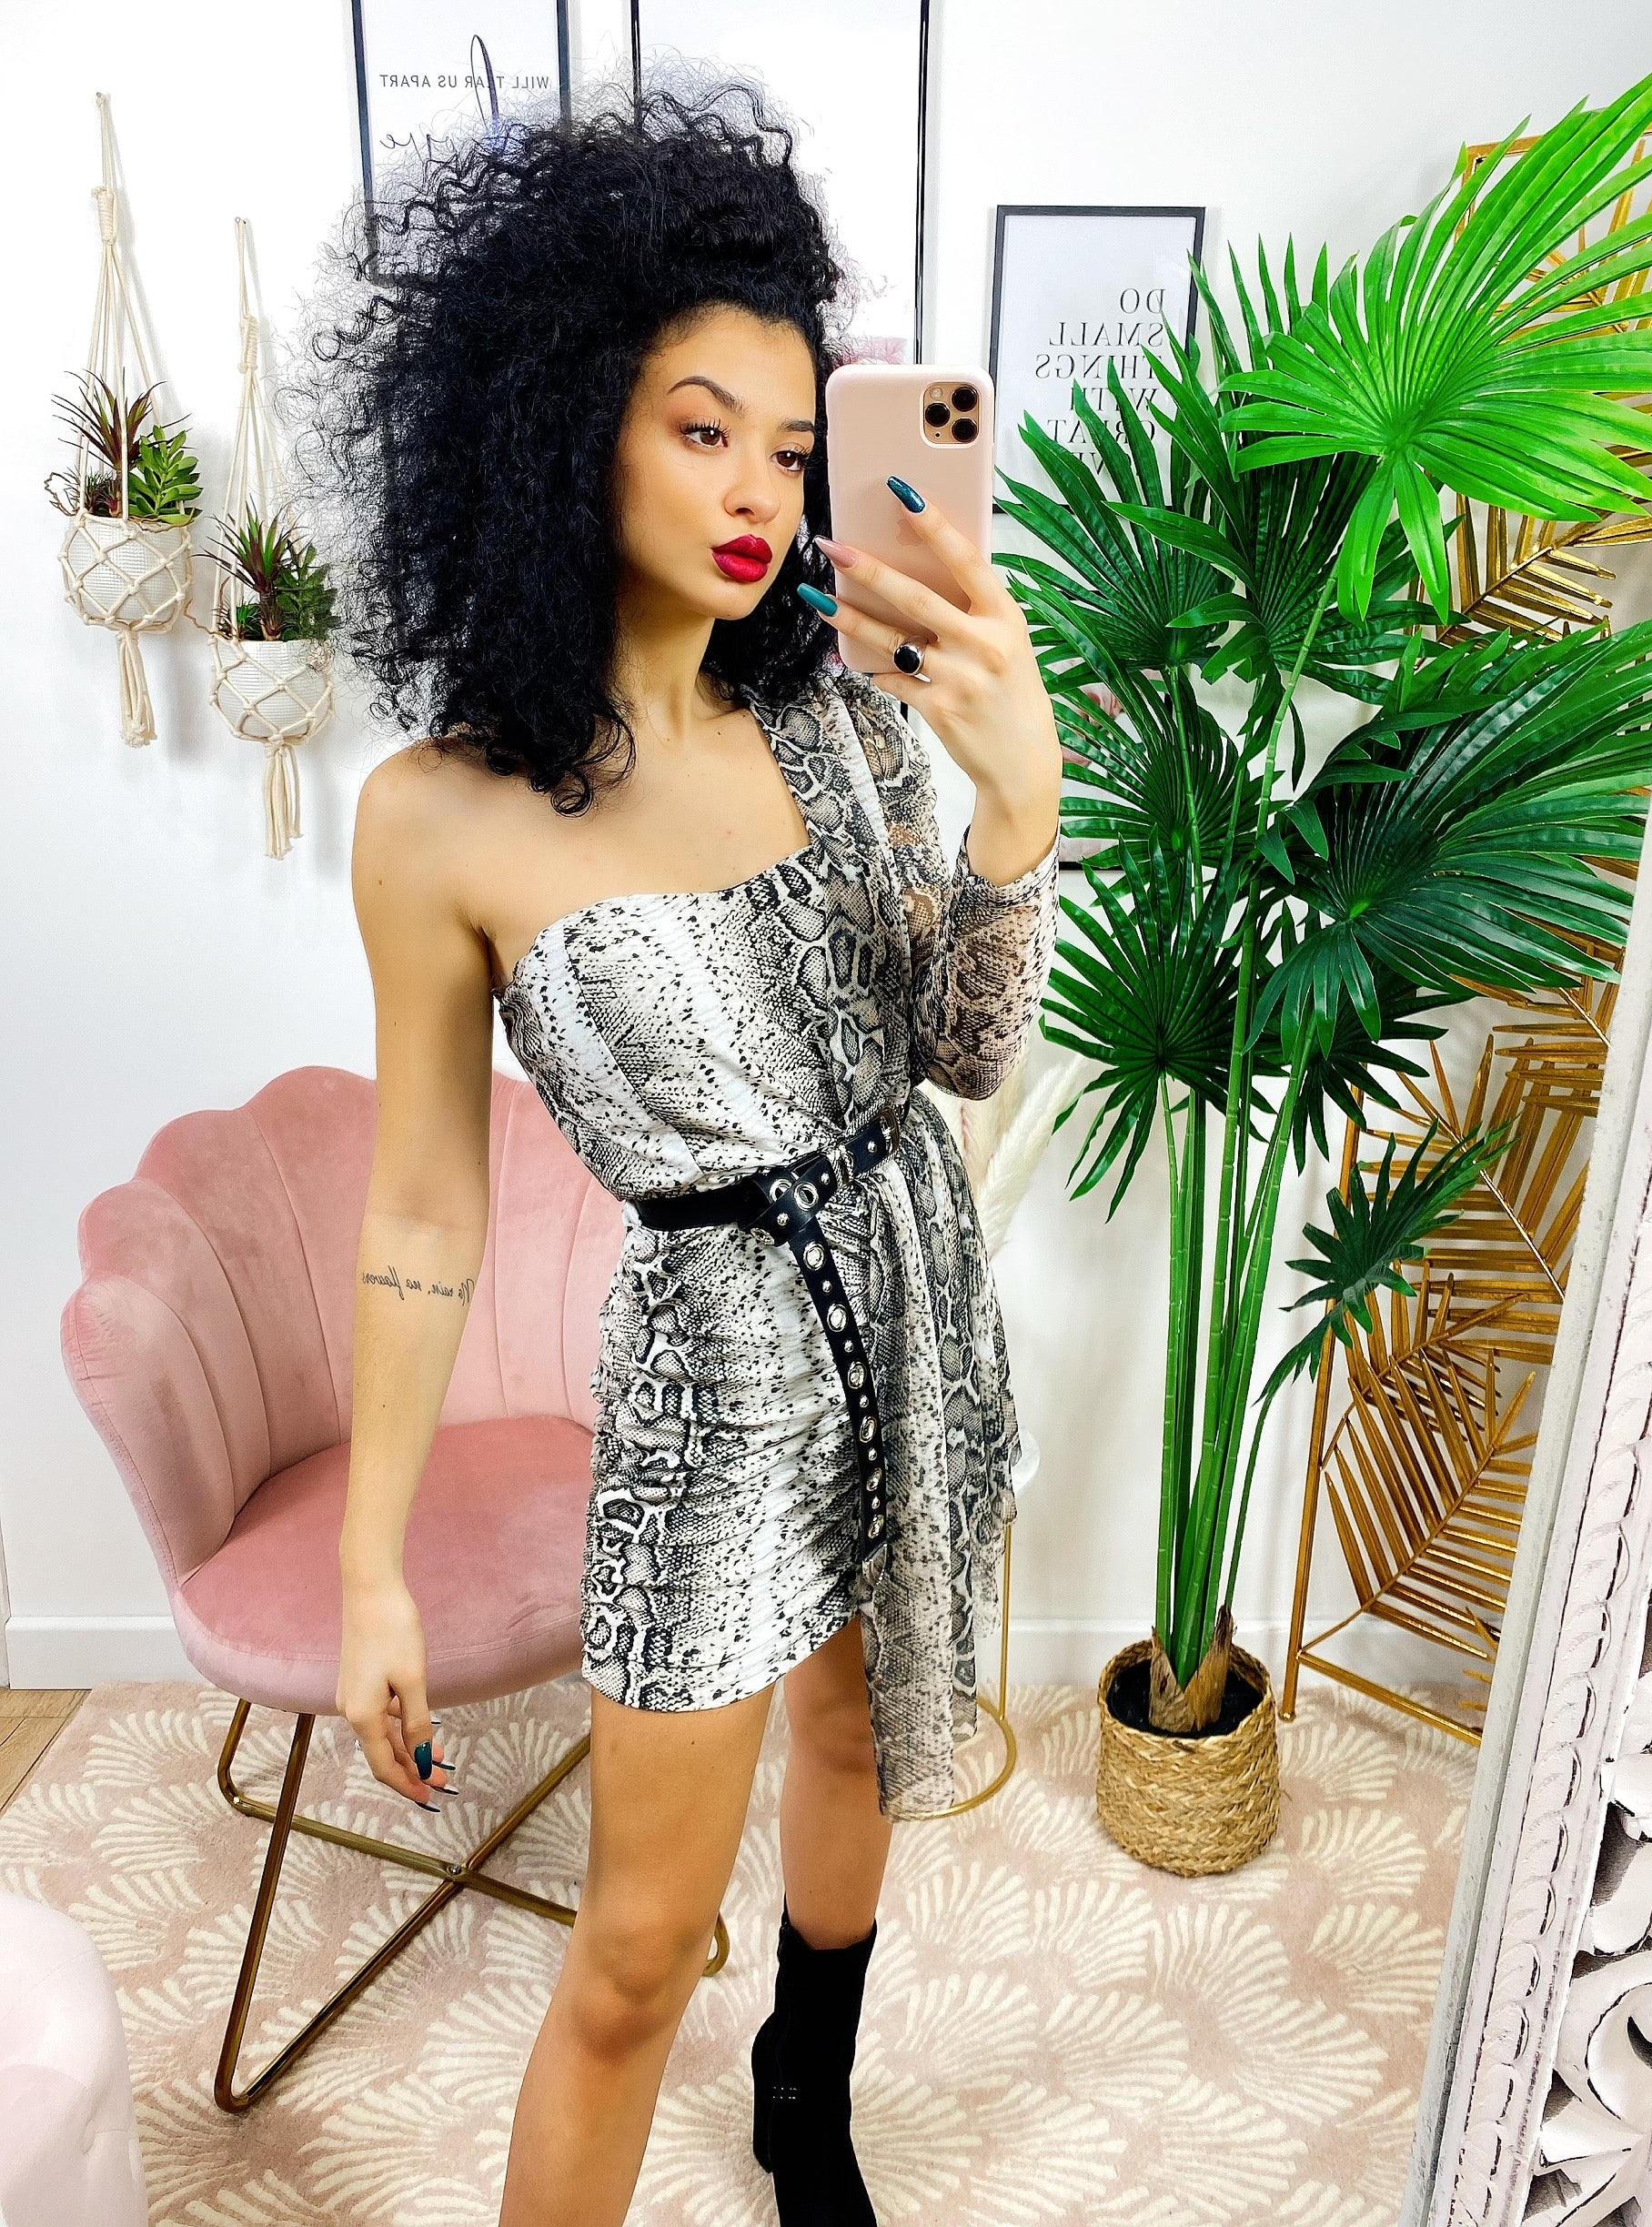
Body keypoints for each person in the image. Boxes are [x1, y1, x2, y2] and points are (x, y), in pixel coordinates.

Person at [303, 72, 1061, 2227]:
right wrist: (371, 1561)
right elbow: (425, 1205)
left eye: (794, 447)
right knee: (635, 1948)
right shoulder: (437, 818)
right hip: (714, 1378)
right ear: (563, 432)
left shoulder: (836, 711)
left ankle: (807, 2103)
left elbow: (956, 1054)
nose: (758, 491)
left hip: (909, 1283)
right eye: (701, 426)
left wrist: (1018, 808)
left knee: (859, 1735)